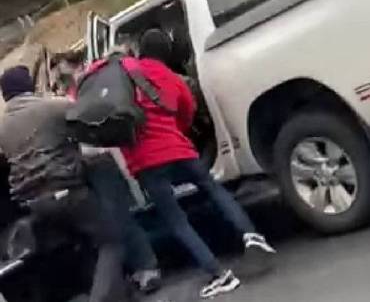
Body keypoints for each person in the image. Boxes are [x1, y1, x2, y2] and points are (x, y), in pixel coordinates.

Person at [122, 29, 276, 299]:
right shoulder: (173, 78)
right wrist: (173, 133)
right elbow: (188, 113)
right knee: (214, 189)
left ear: (139, 51)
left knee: (177, 220)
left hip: (145, 160)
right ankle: (250, 235)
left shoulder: (123, 75)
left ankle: (219, 275)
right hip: (179, 149)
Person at [0, 66, 130, 302]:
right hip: (66, 190)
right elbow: (89, 115)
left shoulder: (2, 127)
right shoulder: (51, 107)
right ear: (29, 86)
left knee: (82, 243)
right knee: (111, 240)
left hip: (34, 204)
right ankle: (100, 298)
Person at [51, 49, 163, 293]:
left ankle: (148, 267)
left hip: (101, 158)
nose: (60, 77)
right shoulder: (68, 93)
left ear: (76, 66)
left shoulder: (91, 85)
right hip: (87, 163)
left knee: (120, 217)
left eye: (61, 70)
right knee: (109, 222)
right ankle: (133, 271)